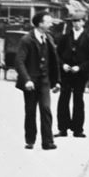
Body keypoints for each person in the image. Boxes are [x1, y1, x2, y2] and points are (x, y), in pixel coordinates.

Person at [15, 12, 61, 150]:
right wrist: (27, 80)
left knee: (46, 109)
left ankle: (47, 142)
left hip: (45, 81)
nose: (51, 24)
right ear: (40, 24)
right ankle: (30, 140)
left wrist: (57, 81)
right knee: (30, 111)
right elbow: (19, 62)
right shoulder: (26, 40)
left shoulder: (49, 39)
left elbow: (54, 62)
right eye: (48, 22)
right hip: (31, 82)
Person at [55, 16, 89, 137]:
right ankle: (62, 128)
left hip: (80, 74)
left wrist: (80, 67)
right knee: (63, 99)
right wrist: (63, 65)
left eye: (78, 21)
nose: (76, 23)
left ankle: (78, 129)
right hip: (66, 73)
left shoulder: (88, 39)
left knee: (78, 100)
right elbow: (57, 54)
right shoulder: (65, 37)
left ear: (83, 22)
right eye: (74, 21)